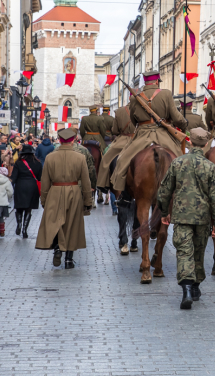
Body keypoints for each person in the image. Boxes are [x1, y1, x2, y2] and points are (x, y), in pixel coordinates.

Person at [155, 127, 215, 308]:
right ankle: (195, 287)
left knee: (184, 252)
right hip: (202, 218)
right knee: (199, 253)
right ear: (206, 144)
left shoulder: (177, 163)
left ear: (190, 142)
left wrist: (163, 212)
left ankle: (185, 290)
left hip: (181, 217)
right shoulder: (210, 166)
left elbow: (164, 191)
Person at [111, 71, 188, 195]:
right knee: (181, 160)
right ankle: (184, 191)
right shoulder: (166, 94)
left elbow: (133, 120)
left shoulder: (135, 97)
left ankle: (122, 194)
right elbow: (177, 118)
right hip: (164, 134)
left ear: (145, 82)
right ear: (157, 81)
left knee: (122, 161)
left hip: (142, 135)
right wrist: (184, 124)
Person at [36, 128, 93, 268]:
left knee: (56, 223)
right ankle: (68, 259)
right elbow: (86, 182)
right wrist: (88, 201)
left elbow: (45, 182)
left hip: (54, 192)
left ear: (60, 140)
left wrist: (43, 200)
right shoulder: (80, 157)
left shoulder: (50, 157)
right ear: (73, 140)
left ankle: (57, 248)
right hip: (74, 191)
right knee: (72, 225)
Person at [97, 106, 135, 243]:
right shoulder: (145, 107)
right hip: (139, 140)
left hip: (123, 141)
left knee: (106, 159)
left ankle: (103, 184)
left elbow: (114, 130)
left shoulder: (119, 111)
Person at [11, 144, 43, 238]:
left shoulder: (18, 163)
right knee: (28, 209)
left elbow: (14, 177)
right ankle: (25, 229)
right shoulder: (37, 163)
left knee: (19, 208)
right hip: (32, 186)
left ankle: (19, 224)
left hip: (20, 186)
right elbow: (40, 177)